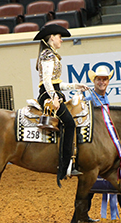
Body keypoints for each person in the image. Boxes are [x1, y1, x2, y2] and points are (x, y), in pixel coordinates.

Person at [82, 66, 121, 222]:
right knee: (114, 173)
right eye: (99, 79)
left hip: (100, 144)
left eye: (104, 79)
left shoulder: (103, 97)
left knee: (98, 177)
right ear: (94, 81)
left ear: (108, 81)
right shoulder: (88, 99)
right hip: (94, 145)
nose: (102, 82)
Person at [33, 24, 89, 181]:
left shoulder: (51, 54)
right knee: (70, 123)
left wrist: (74, 86)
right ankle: (65, 166)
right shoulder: (48, 55)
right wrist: (53, 98)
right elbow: (46, 81)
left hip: (53, 93)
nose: (61, 40)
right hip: (48, 95)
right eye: (59, 37)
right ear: (51, 37)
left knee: (69, 122)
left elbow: (57, 83)